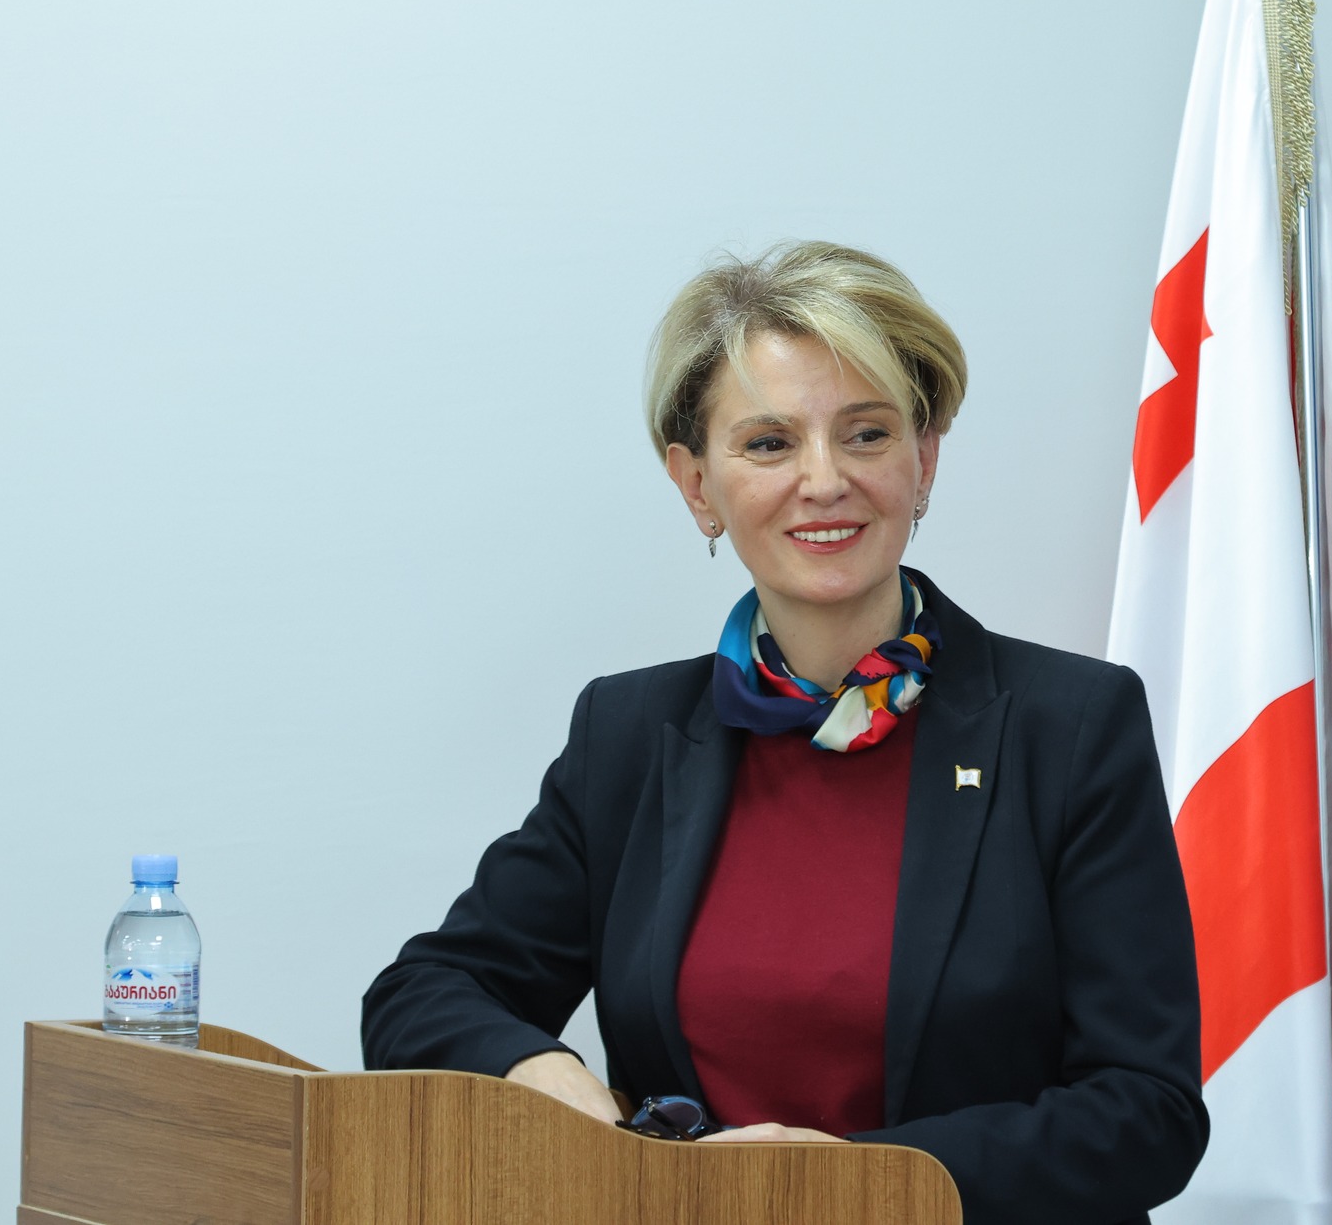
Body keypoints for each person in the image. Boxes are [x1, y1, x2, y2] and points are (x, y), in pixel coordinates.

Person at [361, 241, 1208, 1224]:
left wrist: (848, 1185)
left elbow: (1146, 1112)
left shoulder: (1069, 727)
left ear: (923, 460)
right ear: (696, 485)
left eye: (865, 434)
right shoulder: (629, 737)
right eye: (768, 444)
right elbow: (423, 991)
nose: (823, 479)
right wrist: (540, 1069)